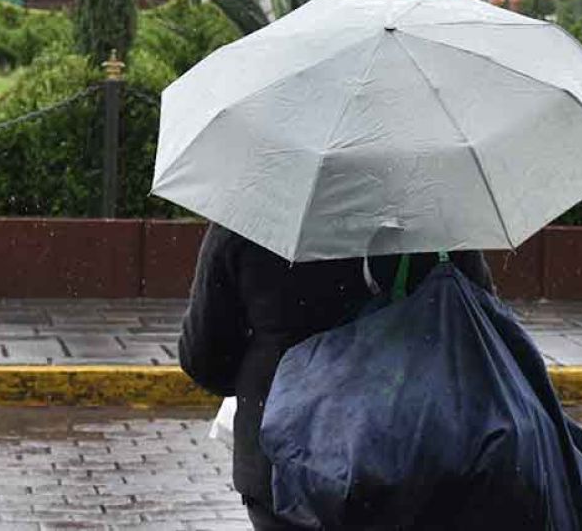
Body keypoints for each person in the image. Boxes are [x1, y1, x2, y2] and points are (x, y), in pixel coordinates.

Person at [178, 223, 493, 531]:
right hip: (411, 460)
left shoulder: (253, 218)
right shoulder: (432, 216)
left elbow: (206, 361)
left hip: (281, 471)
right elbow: (479, 335)